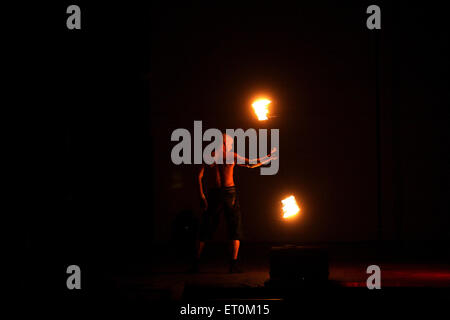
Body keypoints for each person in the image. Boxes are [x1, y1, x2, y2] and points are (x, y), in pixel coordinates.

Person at [190, 133, 277, 273]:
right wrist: (268, 157)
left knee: (218, 228)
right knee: (224, 228)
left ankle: (206, 264)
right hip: (225, 193)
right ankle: (229, 265)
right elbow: (251, 164)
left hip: (220, 193)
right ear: (224, 143)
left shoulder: (214, 155)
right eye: (229, 142)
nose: (231, 144)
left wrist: (202, 195)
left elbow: (198, 176)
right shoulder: (225, 155)